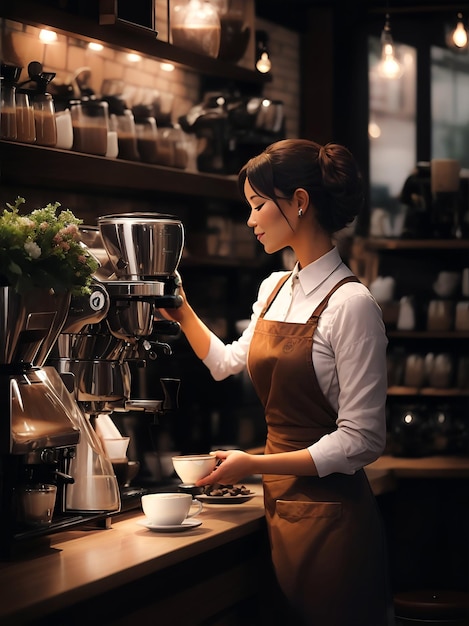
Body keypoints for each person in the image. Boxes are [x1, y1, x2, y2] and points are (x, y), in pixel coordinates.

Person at [161, 139, 394, 625]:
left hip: (333, 517)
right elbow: (227, 362)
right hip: (278, 507)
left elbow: (363, 439)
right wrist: (181, 310)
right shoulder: (275, 288)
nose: (250, 220)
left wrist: (257, 463)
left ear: (300, 202)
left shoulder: (352, 305)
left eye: (258, 205)